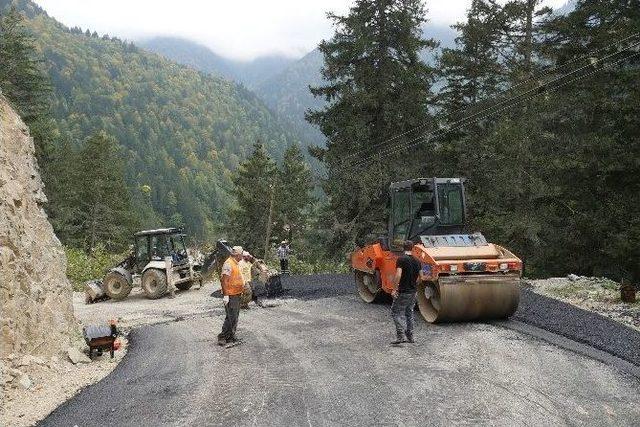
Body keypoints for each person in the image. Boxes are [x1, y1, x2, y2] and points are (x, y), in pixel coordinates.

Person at [391, 240, 423, 345]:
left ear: (402, 248)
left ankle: (401, 336)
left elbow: (398, 274)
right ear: (412, 248)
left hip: (404, 291)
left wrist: (395, 289)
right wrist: (414, 285)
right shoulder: (417, 261)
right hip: (413, 292)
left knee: (396, 312)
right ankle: (410, 336)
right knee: (409, 313)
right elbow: (421, 277)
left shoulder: (401, 259)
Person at [217, 246, 245, 346]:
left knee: (235, 316)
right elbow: (224, 280)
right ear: (237, 255)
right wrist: (226, 295)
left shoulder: (235, 263)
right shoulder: (228, 264)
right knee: (231, 316)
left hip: (236, 293)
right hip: (231, 294)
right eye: (241, 254)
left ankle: (230, 336)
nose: (242, 255)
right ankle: (223, 336)